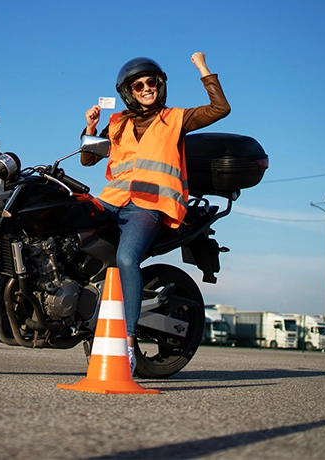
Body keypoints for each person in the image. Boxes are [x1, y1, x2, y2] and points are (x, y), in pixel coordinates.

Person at [82, 52, 230, 374]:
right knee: (70, 222)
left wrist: (202, 68)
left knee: (126, 259)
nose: (146, 88)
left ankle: (129, 344)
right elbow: (88, 160)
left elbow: (221, 109)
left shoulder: (175, 119)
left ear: (160, 86)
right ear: (129, 92)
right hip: (112, 200)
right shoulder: (117, 122)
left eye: (152, 82)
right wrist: (90, 127)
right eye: (139, 85)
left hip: (149, 207)